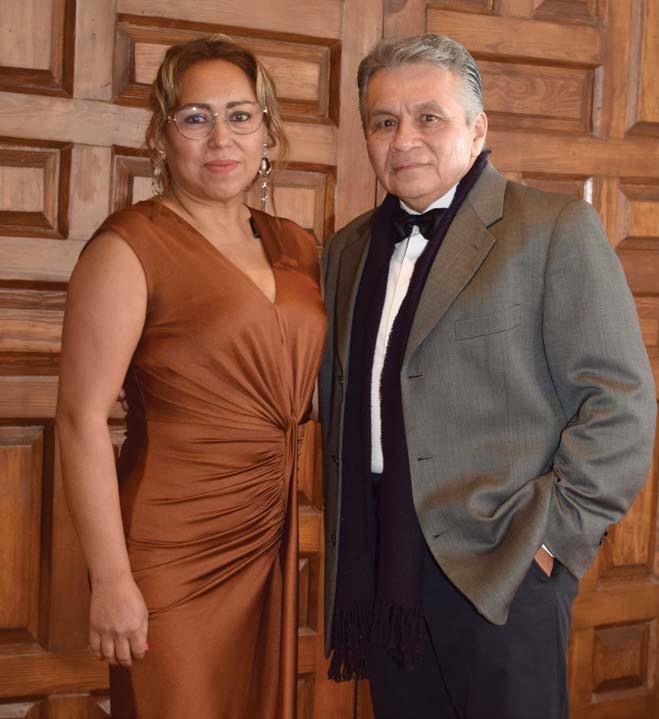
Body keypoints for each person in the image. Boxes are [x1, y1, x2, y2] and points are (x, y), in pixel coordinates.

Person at [319, 33, 656, 719]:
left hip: (505, 563)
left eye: (428, 117)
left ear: (477, 129)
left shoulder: (552, 228)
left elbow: (619, 404)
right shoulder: (347, 249)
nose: (403, 139)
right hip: (380, 562)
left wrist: (550, 541)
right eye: (383, 122)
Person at [56, 34, 326, 719]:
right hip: (171, 546)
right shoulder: (128, 248)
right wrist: (111, 577)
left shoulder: (297, 245)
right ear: (161, 134)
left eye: (240, 115)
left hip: (267, 528)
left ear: (267, 130)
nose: (220, 138)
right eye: (195, 117)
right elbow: (80, 419)